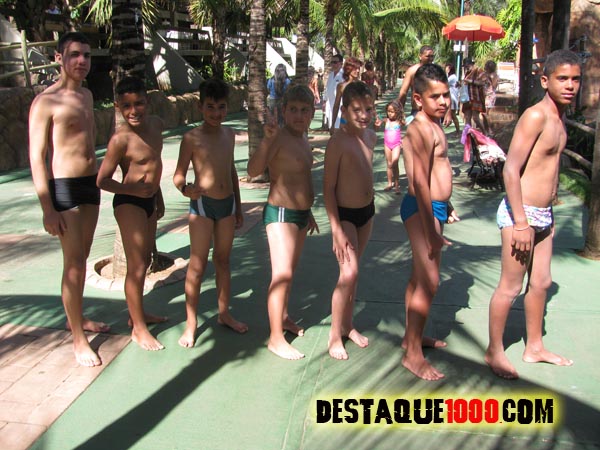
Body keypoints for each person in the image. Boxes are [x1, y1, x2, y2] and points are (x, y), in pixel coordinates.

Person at [485, 50, 581, 379]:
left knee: (541, 283)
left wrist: (547, 214)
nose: (570, 85)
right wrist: (521, 223)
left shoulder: (560, 117)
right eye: (562, 78)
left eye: (575, 79)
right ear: (545, 81)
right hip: (521, 214)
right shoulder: (536, 116)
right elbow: (510, 169)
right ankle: (494, 351)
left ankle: (534, 347)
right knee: (510, 287)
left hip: (544, 215)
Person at [29, 32, 109, 367]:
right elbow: (37, 157)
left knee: (82, 257)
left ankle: (76, 317)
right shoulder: (45, 102)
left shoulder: (87, 95)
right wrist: (48, 208)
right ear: (59, 58)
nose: (81, 61)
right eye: (75, 54)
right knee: (74, 263)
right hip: (64, 187)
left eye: (87, 55)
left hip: (90, 184)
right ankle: (78, 337)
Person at [247, 85, 319, 360]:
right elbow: (253, 171)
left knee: (290, 271)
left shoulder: (303, 138)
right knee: (282, 275)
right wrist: (267, 141)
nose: (299, 115)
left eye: (304, 110)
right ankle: (275, 339)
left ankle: (284, 318)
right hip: (280, 214)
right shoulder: (278, 137)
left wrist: (308, 212)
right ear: (283, 111)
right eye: (293, 110)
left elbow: (301, 177)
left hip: (300, 216)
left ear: (312, 113)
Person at [174, 78, 247, 348]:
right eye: (210, 107)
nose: (216, 113)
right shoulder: (191, 138)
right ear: (200, 106)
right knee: (197, 265)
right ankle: (191, 323)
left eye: (221, 107)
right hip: (203, 206)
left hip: (227, 205)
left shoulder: (229, 135)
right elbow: (178, 175)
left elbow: (231, 171)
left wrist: (238, 206)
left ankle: (224, 313)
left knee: (223, 261)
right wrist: (186, 189)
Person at [97, 76, 167, 351]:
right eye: (126, 106)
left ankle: (138, 315)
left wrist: (157, 196)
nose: (133, 110)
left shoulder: (157, 125)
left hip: (149, 201)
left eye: (139, 103)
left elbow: (155, 164)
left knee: (146, 260)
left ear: (147, 101)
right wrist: (133, 190)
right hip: (129, 203)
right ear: (118, 106)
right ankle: (138, 329)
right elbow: (102, 180)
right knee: (136, 266)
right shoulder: (120, 140)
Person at [400, 64, 453, 380]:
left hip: (436, 208)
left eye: (446, 94)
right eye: (436, 97)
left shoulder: (435, 125)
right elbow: (419, 181)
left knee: (419, 278)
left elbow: (437, 171)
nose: (443, 101)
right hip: (423, 211)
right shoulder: (419, 129)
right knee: (430, 281)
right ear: (418, 99)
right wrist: (431, 228)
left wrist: (447, 204)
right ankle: (412, 355)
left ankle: (413, 338)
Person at [324, 81, 377, 360]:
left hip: (367, 212)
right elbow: (328, 188)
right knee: (348, 273)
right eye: (357, 110)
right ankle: (334, 334)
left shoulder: (371, 137)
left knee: (354, 275)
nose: (364, 115)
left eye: (368, 109)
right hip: (344, 214)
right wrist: (336, 229)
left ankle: (348, 324)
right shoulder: (338, 142)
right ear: (344, 111)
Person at [375, 101, 405, 194]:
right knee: (389, 164)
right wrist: (377, 124)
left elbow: (408, 122)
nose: (390, 113)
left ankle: (397, 185)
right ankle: (389, 183)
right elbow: (378, 123)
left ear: (397, 112)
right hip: (387, 144)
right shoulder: (386, 120)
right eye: (388, 111)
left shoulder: (399, 122)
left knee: (395, 163)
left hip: (396, 145)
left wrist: (404, 139)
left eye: (392, 111)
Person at [397, 45, 435, 117]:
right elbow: (403, 92)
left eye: (432, 56)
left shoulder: (436, 71)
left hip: (433, 111)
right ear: (420, 56)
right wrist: (399, 112)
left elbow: (444, 91)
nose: (430, 59)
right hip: (417, 112)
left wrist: (448, 112)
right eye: (428, 56)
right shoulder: (412, 71)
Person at [330, 56, 363, 134]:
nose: (358, 71)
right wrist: (332, 124)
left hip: (359, 119)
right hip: (344, 119)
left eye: (358, 68)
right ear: (348, 69)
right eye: (355, 69)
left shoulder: (362, 85)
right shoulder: (341, 86)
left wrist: (377, 117)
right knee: (343, 139)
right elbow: (336, 106)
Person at [461, 58, 488, 134]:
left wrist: (471, 81)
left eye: (467, 66)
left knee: (475, 118)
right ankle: (468, 136)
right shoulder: (467, 73)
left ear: (472, 64)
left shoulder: (478, 71)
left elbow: (484, 82)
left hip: (476, 97)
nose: (466, 68)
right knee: (467, 117)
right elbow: (465, 84)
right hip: (467, 98)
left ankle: (485, 132)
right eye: (465, 66)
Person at [324, 54, 344, 130]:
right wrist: (325, 100)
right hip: (330, 105)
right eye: (332, 62)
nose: (333, 64)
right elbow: (327, 88)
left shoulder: (344, 76)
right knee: (331, 127)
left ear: (341, 63)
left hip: (340, 105)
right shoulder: (331, 75)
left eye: (335, 62)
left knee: (339, 128)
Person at [481, 60, 499, 134]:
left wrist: (489, 78)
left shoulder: (494, 75)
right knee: (483, 113)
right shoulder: (485, 74)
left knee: (485, 113)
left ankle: (489, 129)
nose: (485, 68)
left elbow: (494, 85)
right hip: (485, 95)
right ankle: (486, 130)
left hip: (490, 95)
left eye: (486, 66)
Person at [445, 63, 462, 137]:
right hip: (451, 97)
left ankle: (458, 131)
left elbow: (444, 83)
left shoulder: (452, 77)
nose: (446, 69)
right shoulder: (452, 77)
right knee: (451, 114)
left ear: (450, 69)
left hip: (453, 98)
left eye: (447, 68)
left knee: (453, 115)